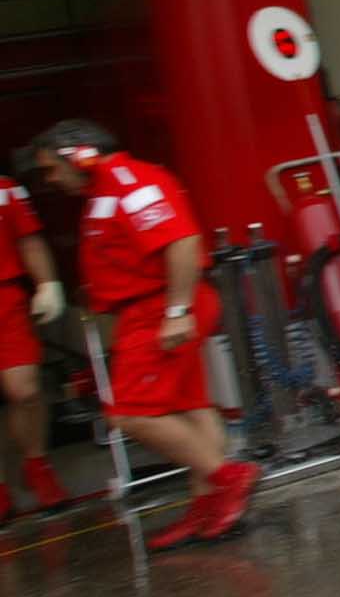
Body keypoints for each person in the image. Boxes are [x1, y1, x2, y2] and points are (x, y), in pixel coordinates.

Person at [30, 120, 258, 549]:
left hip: (158, 310)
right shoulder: (107, 190)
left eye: (51, 169)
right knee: (191, 407)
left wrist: (176, 310)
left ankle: (229, 478)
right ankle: (206, 507)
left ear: (79, 155)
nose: (51, 180)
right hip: (149, 308)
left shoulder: (128, 183)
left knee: (129, 412)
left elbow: (182, 242)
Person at [1, 169, 70, 520]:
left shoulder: (5, 190)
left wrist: (47, 284)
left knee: (24, 390)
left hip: (5, 297)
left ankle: (36, 465)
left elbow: (29, 239)